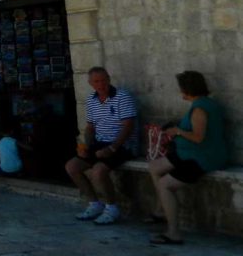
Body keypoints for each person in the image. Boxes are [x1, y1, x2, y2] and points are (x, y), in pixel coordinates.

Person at [148, 71, 229, 245]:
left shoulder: (200, 108)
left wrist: (177, 131)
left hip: (202, 158)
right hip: (189, 153)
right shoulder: (202, 104)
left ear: (187, 89)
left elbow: (198, 137)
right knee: (155, 167)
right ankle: (161, 210)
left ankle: (174, 232)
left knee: (165, 185)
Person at [65, 67, 138, 225]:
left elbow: (128, 126)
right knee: (72, 167)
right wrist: (86, 146)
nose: (101, 84)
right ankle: (94, 204)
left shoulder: (122, 97)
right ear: (91, 83)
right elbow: (90, 127)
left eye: (103, 80)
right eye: (96, 81)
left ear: (109, 79)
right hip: (100, 142)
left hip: (122, 144)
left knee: (98, 171)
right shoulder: (91, 100)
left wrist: (112, 148)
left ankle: (111, 208)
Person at [0, 127, 26, 192]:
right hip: (17, 170)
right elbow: (28, 148)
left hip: (4, 171)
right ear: (11, 132)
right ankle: (19, 174)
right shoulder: (14, 141)